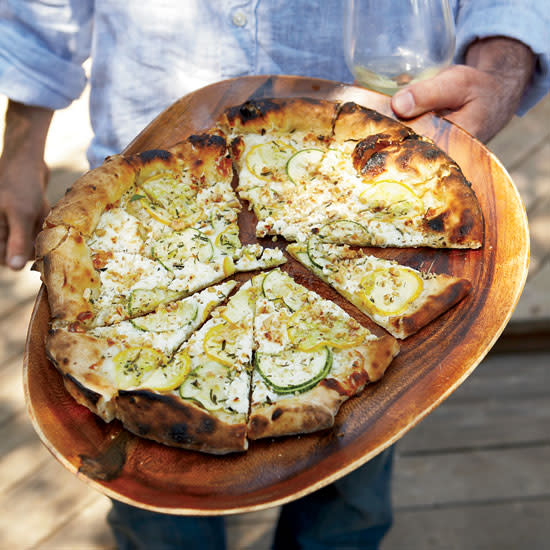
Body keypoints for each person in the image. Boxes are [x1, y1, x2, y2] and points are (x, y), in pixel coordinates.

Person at [1, 2, 549, 549]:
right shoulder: (99, 236)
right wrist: (21, 150)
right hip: (141, 158)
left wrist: (504, 67)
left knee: (346, 515)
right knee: (160, 533)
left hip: (368, 114)